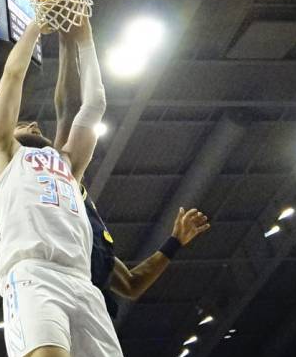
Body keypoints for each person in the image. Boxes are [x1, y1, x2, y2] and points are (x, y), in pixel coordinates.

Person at [0, 18, 126, 357]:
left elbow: (94, 105)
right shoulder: (2, 155)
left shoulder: (66, 164)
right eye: (23, 123)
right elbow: (12, 76)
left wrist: (87, 37)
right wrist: (35, 26)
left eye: (35, 125)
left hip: (82, 284)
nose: (31, 123)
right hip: (33, 276)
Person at [52, 31, 211, 319]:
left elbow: (131, 285)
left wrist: (174, 242)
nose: (33, 125)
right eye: (26, 127)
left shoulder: (81, 206)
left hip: (93, 314)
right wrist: (67, 38)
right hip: (60, 309)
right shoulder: (51, 179)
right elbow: (69, 109)